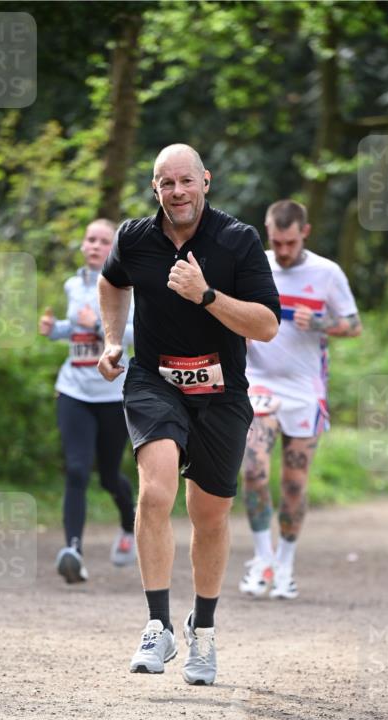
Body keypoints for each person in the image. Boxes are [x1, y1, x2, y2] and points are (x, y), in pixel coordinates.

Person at [97, 144, 280, 685]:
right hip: (155, 381)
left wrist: (206, 296)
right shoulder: (134, 238)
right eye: (165, 184)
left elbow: (267, 324)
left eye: (185, 181)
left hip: (222, 393)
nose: (177, 192)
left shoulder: (237, 240)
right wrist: (112, 340)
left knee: (210, 515)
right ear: (155, 189)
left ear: (205, 180)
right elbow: (112, 282)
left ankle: (203, 631)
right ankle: (159, 625)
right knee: (155, 491)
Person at [239, 200, 361, 599]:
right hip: (259, 383)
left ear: (304, 233)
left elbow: (354, 326)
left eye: (290, 242)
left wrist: (323, 323)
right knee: (253, 470)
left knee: (294, 484)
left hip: (305, 390)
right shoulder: (254, 265)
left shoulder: (327, 273)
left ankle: (286, 564)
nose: (284, 250)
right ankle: (262, 561)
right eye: (277, 241)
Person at [39, 218, 137, 583]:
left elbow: (134, 333)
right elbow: (72, 327)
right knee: (77, 469)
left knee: (110, 475)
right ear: (82, 246)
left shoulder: (130, 284)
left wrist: (96, 324)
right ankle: (73, 553)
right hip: (74, 389)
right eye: (90, 239)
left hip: (112, 393)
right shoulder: (73, 283)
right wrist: (55, 331)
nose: (95, 246)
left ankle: (129, 525)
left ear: (114, 248)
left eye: (103, 241)